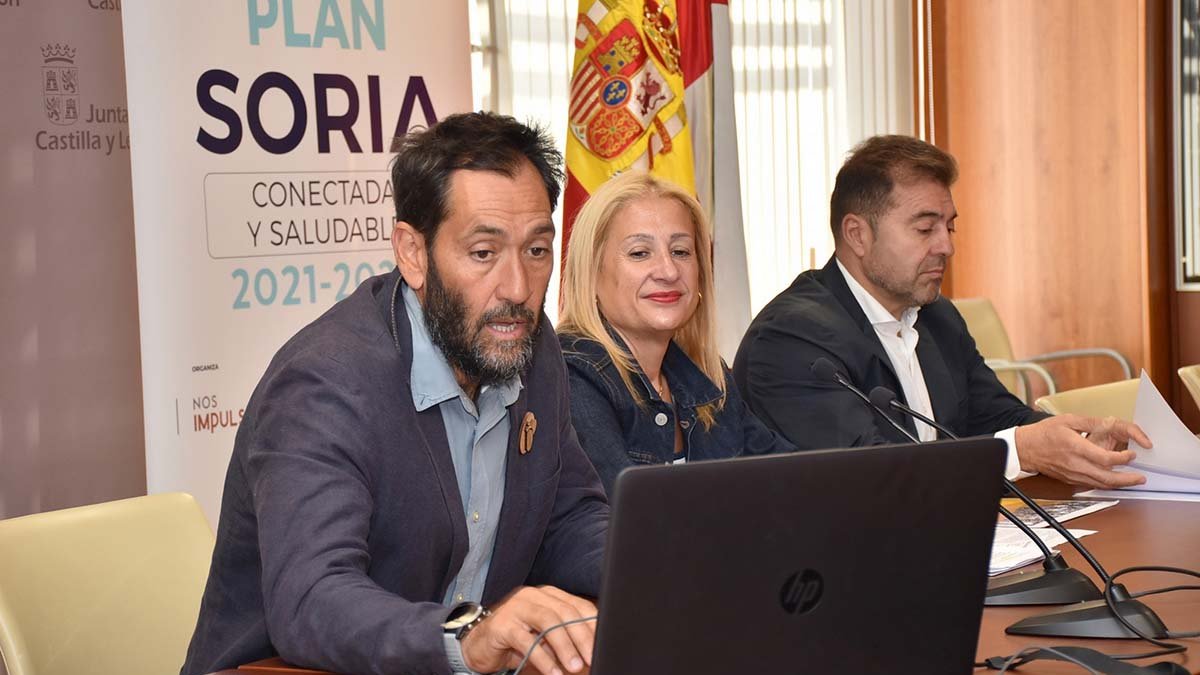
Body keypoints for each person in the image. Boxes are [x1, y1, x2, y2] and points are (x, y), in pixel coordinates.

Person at [181, 112, 608, 675]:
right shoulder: (324, 385)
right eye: (483, 254)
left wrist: (666, 572)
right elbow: (313, 598)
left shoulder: (531, 348)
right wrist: (470, 634)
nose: (518, 289)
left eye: (536, 250)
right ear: (412, 252)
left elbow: (568, 517)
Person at [732, 134, 1151, 489]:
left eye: (949, 226)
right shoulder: (790, 339)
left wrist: (1076, 439)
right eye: (924, 228)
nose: (946, 245)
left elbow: (995, 416)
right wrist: (1021, 451)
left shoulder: (936, 315)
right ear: (857, 234)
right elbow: (870, 474)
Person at [557, 171, 793, 496]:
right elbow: (635, 527)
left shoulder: (707, 375)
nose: (669, 271)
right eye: (640, 253)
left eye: (681, 251)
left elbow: (794, 479)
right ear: (591, 272)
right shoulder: (572, 377)